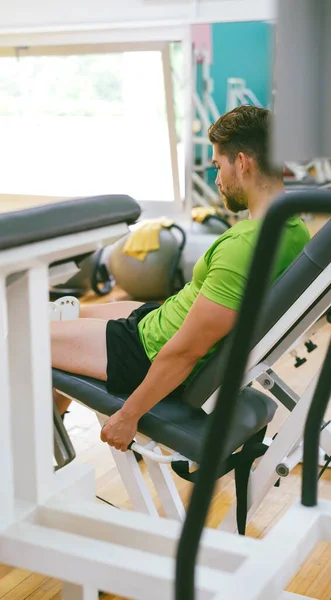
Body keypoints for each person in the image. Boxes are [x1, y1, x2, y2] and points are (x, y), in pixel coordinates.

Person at [52, 105, 311, 452]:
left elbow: (187, 351)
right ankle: (49, 446)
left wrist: (129, 415)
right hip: (158, 320)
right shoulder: (294, 228)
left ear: (244, 163)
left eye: (219, 167)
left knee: (25, 340)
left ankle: (40, 454)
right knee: (58, 314)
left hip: (144, 351)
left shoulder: (245, 246)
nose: (217, 181)